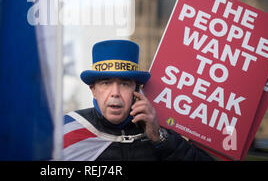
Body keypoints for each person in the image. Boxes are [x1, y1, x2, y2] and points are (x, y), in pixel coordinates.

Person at [63, 40, 213, 161]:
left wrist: (159, 138)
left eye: (124, 84)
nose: (115, 93)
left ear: (137, 90)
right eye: (106, 83)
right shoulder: (68, 129)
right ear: (93, 90)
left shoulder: (158, 132)